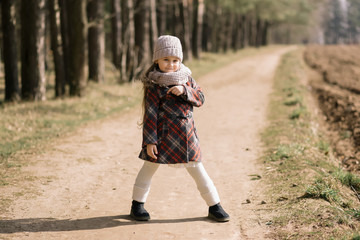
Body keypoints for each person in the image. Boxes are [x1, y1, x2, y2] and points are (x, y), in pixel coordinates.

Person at [130, 35, 230, 222]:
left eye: (175, 60)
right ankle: (137, 205)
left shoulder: (187, 79)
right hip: (162, 137)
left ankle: (214, 205)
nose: (171, 64)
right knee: (148, 168)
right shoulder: (154, 84)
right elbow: (150, 114)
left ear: (180, 60)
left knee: (197, 169)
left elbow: (200, 98)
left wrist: (185, 91)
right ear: (157, 60)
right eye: (166, 60)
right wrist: (150, 141)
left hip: (186, 136)